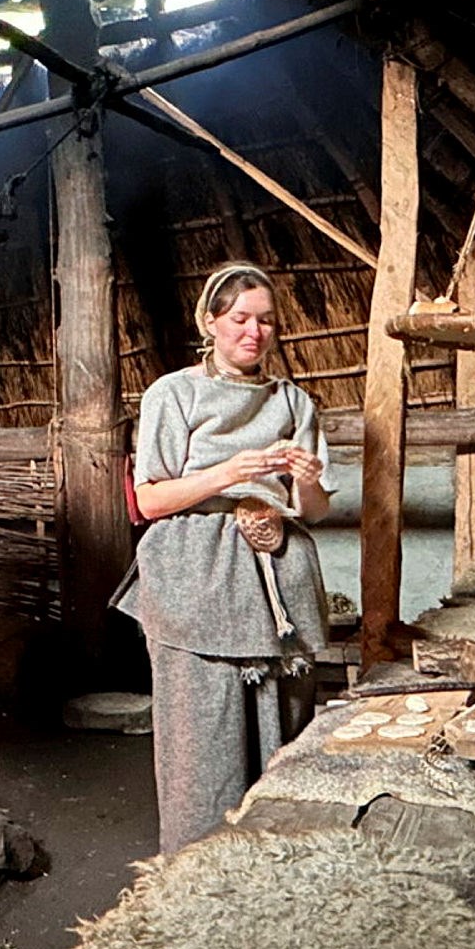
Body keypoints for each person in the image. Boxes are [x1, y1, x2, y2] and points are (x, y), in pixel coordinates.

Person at [114, 261, 333, 854]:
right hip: (197, 579)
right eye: (240, 318)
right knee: (202, 745)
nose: (253, 332)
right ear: (210, 322)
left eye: (265, 321)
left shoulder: (293, 401)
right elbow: (152, 499)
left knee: (284, 730)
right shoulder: (174, 393)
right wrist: (228, 475)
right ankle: (194, 872)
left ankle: (270, 869)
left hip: (276, 578)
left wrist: (306, 482)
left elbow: (311, 512)